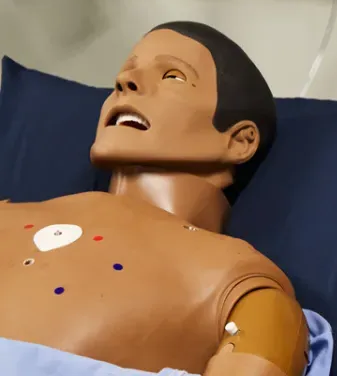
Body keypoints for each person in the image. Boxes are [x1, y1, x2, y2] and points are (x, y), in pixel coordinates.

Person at [0, 22, 313, 376]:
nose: (125, 83)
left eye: (172, 76)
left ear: (238, 141)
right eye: (126, 73)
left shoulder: (243, 289)